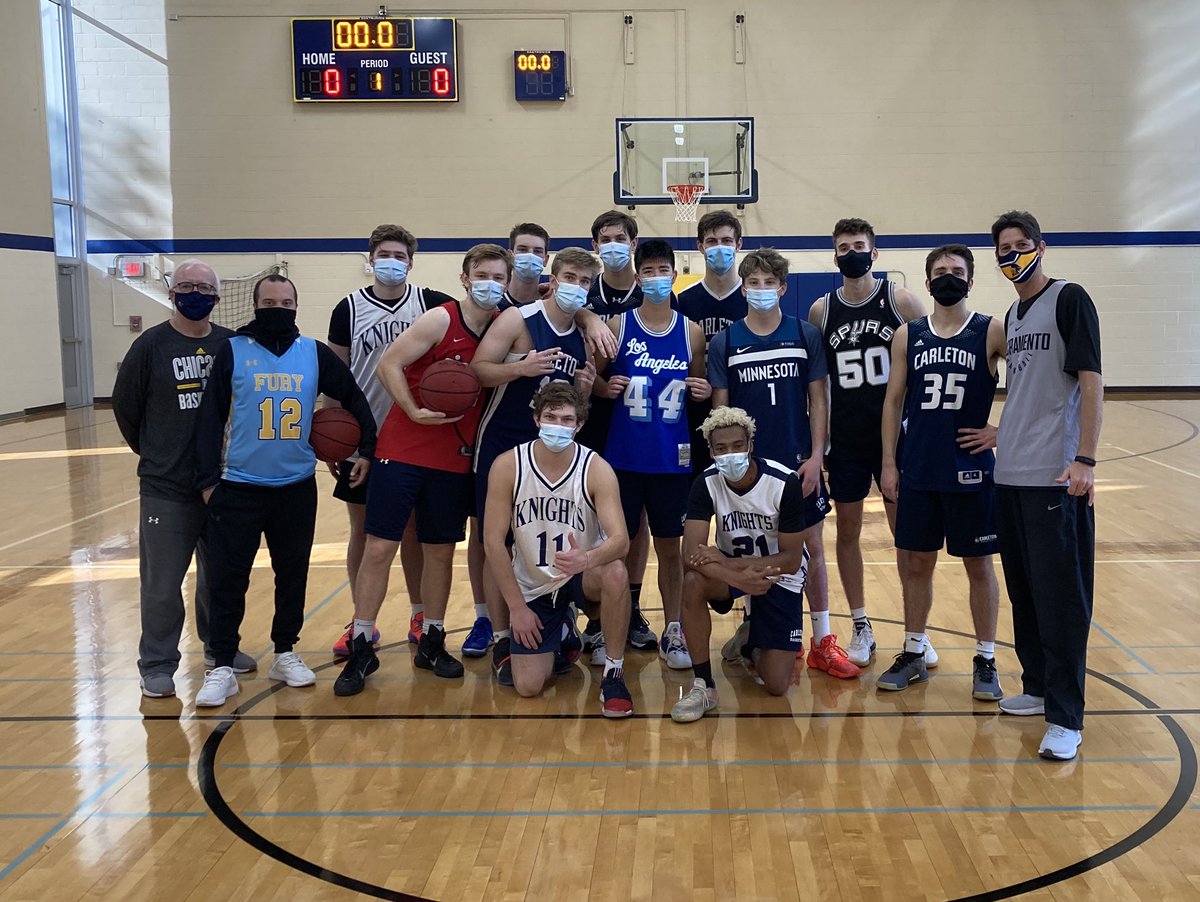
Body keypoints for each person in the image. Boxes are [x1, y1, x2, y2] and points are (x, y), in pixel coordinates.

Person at [193, 274, 377, 707]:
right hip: (237, 486)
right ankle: (221, 665)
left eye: (286, 302)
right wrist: (207, 483)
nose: (278, 308)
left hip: (295, 487)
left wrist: (367, 449)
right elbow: (209, 420)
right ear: (256, 305)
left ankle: (284, 652)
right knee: (227, 579)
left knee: (292, 574)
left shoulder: (313, 353)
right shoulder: (233, 351)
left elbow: (354, 398)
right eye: (269, 302)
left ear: (297, 306)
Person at [334, 244, 508, 696]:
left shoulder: (504, 327)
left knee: (439, 552)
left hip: (456, 457)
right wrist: (411, 408)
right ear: (465, 278)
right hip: (403, 449)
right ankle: (361, 643)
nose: (490, 283)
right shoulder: (439, 319)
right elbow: (388, 363)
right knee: (379, 547)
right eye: (482, 275)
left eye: (498, 277)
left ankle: (432, 638)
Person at [709, 248, 857, 679]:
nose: (761, 290)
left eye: (768, 283)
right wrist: (729, 466)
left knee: (811, 547)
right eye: (752, 283)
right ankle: (760, 628)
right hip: (748, 469)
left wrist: (816, 455)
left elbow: (818, 398)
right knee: (752, 546)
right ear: (743, 289)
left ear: (782, 287)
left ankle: (822, 640)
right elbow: (722, 414)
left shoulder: (804, 333)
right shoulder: (725, 342)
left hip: (797, 463)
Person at [112, 259, 255, 699]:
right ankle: (157, 664)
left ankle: (219, 650)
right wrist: (159, 453)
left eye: (204, 287)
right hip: (167, 487)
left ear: (217, 296)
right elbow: (126, 409)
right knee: (161, 584)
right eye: (186, 286)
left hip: (223, 483)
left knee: (220, 578)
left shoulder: (233, 345)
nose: (196, 293)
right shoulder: (150, 346)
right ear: (172, 293)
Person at [990, 211, 1103, 761]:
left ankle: (1065, 716)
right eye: (1003, 250)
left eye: (1021, 245)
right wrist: (1003, 431)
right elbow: (1029, 391)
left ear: (1041, 246)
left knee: (1061, 600)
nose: (1012, 256)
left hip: (1055, 476)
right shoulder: (1013, 315)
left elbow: (1091, 382)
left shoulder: (1069, 299)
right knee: (1025, 591)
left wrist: (1085, 459)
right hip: (1010, 473)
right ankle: (1036, 687)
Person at [877, 244, 1006, 701]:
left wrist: (1002, 430)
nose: (948, 277)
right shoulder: (908, 334)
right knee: (916, 563)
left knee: (979, 565)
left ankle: (986, 659)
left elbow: (1034, 380)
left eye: (957, 270)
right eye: (940, 271)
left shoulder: (991, 329)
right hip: (919, 466)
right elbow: (893, 401)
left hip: (970, 469)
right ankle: (913, 652)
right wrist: (889, 462)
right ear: (927, 280)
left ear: (970, 280)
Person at [471, 248, 599, 685]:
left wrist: (586, 390)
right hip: (504, 445)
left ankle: (557, 622)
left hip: (551, 454)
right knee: (499, 543)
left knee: (552, 538)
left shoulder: (582, 334)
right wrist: (521, 368)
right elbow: (478, 370)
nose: (576, 286)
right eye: (570, 277)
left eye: (584, 281)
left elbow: (575, 407)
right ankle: (501, 636)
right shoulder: (518, 319)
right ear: (553, 278)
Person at [326, 224, 454, 656]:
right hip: (364, 436)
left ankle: (419, 614)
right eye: (384, 254)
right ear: (370, 258)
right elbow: (336, 377)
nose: (392, 262)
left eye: (400, 255)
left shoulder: (431, 303)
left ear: (411, 263)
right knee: (364, 532)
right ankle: (362, 621)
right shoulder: (347, 309)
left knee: (413, 531)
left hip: (413, 435)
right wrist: (334, 434)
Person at [809, 217, 929, 667]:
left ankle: (916, 632)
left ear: (874, 252)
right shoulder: (822, 310)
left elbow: (930, 356)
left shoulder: (900, 300)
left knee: (907, 537)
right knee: (848, 532)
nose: (852, 253)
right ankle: (861, 624)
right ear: (835, 256)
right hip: (847, 440)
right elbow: (817, 384)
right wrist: (819, 442)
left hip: (896, 439)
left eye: (859, 246)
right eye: (844, 247)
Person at [483, 383, 634, 716]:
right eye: (551, 417)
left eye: (567, 420)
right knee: (528, 687)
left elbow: (621, 540)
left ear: (579, 425)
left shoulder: (596, 468)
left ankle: (613, 673)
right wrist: (517, 609)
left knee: (615, 571)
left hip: (581, 575)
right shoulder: (508, 465)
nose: (558, 425)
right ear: (537, 419)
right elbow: (492, 542)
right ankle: (563, 632)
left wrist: (587, 558)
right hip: (534, 584)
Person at [595, 239, 710, 670]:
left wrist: (703, 391)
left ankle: (674, 629)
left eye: (664, 270)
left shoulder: (691, 331)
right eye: (649, 271)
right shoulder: (617, 325)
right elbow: (591, 379)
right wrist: (602, 388)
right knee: (617, 549)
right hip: (622, 459)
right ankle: (612, 626)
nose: (657, 277)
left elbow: (700, 388)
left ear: (675, 275)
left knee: (670, 549)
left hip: (671, 460)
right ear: (638, 277)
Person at [671, 406, 809, 722]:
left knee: (776, 685)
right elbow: (689, 552)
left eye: (737, 446)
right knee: (692, 580)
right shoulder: (705, 483)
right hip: (733, 573)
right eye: (721, 448)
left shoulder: (784, 482)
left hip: (777, 575)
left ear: (750, 445)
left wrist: (730, 564)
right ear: (711, 451)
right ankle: (704, 685)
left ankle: (750, 640)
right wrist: (736, 577)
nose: (730, 454)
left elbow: (790, 559)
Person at [577, 209, 658, 655]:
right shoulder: (583, 291)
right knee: (589, 517)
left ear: (633, 243)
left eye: (619, 237)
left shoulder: (652, 289)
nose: (612, 245)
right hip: (589, 416)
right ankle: (591, 611)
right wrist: (587, 317)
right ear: (595, 246)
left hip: (637, 420)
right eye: (604, 238)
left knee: (635, 519)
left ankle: (632, 604)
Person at [676, 210, 748, 476]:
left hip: (743, 403)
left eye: (726, 241)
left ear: (738, 245)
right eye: (712, 241)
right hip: (695, 409)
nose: (719, 248)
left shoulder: (752, 297)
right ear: (700, 247)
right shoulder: (684, 300)